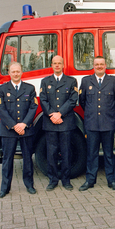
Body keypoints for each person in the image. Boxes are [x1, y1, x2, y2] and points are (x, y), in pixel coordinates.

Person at [78, 56, 115, 191]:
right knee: (92, 154)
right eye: (96, 64)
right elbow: (83, 101)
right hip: (92, 124)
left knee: (109, 153)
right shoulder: (86, 81)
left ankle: (111, 180)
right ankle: (90, 180)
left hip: (107, 123)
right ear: (93, 65)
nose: (99, 66)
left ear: (105, 66)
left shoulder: (113, 81)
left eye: (101, 64)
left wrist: (108, 113)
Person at [0, 62, 38, 198]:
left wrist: (24, 124)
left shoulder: (30, 88)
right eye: (13, 71)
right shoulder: (2, 89)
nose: (15, 74)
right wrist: (14, 126)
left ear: (21, 72)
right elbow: (0, 109)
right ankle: (5, 188)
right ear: (9, 73)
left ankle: (29, 185)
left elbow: (33, 108)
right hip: (8, 130)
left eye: (18, 71)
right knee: (7, 160)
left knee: (27, 158)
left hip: (26, 129)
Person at [40, 55, 78, 191]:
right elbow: (43, 100)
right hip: (50, 122)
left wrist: (60, 113)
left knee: (66, 152)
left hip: (65, 122)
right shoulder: (45, 81)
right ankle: (53, 179)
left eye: (59, 63)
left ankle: (66, 180)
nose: (57, 65)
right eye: (54, 63)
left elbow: (73, 100)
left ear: (63, 65)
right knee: (51, 153)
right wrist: (53, 115)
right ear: (51, 65)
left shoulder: (71, 81)